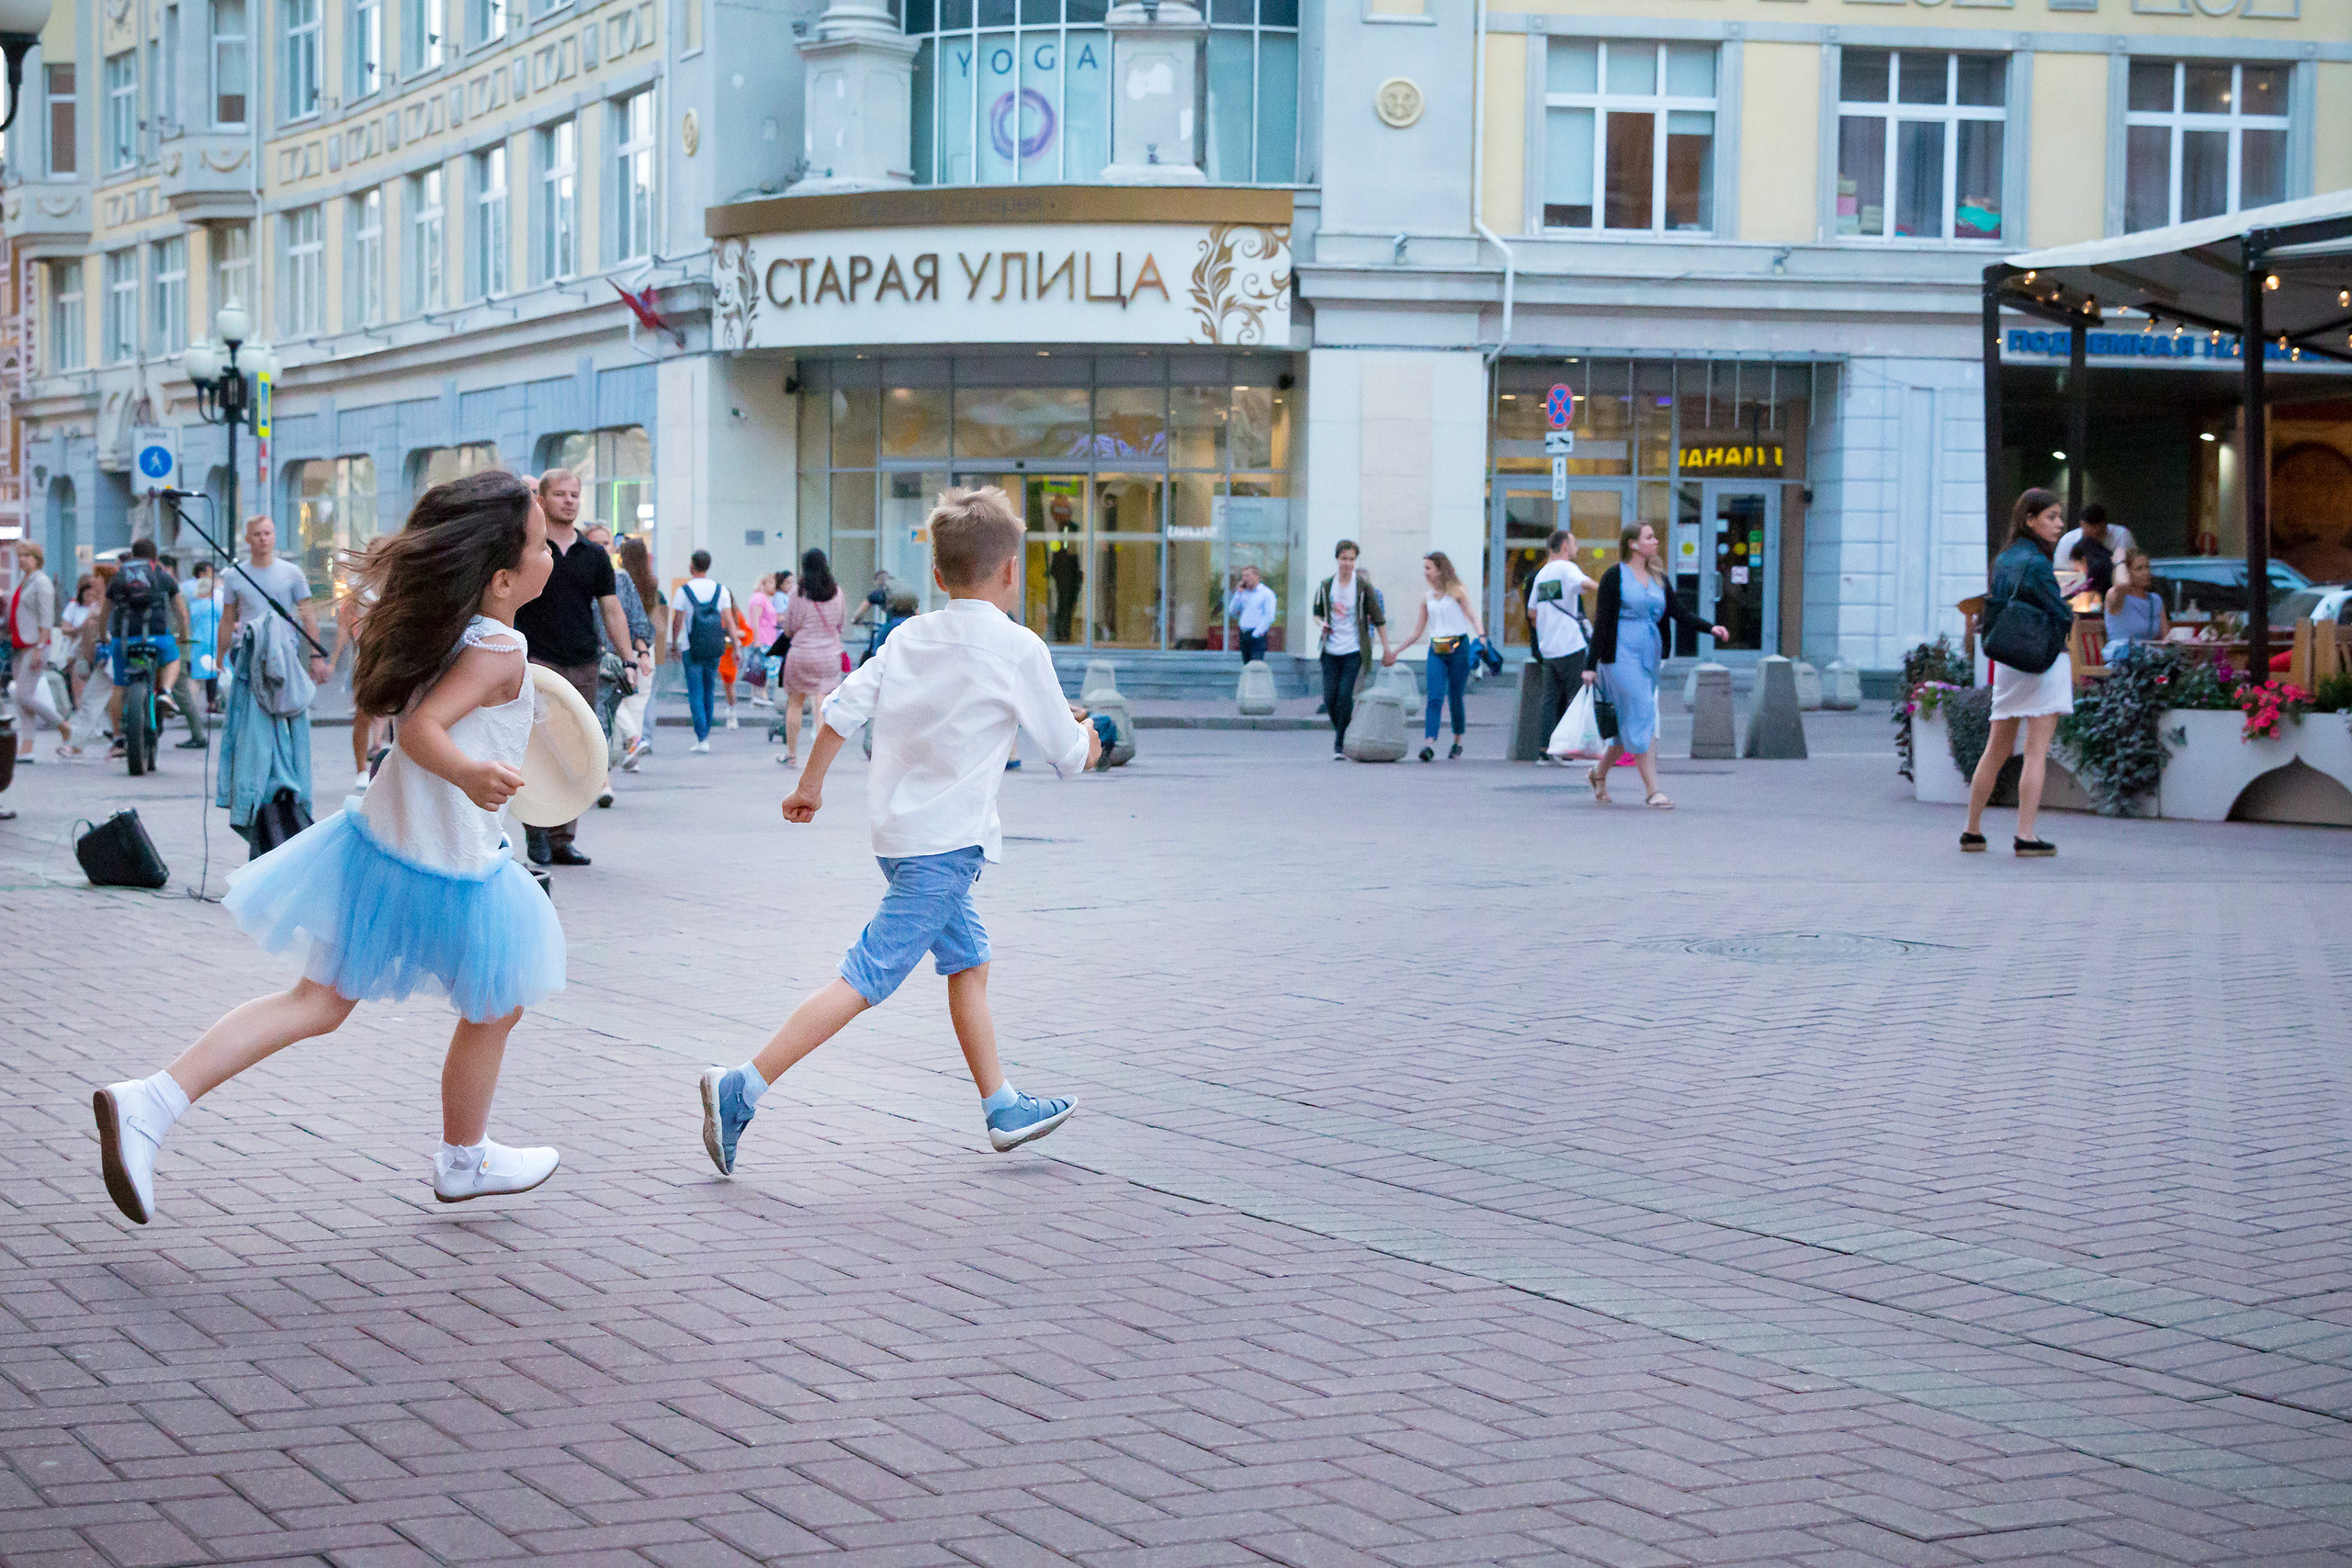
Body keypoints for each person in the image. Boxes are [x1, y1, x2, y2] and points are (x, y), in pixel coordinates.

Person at [89, 470, 570, 1225]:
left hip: (380, 850)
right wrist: (470, 771)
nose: (553, 553)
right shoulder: (499, 647)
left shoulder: (450, 631)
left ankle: (151, 1099)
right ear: (502, 579)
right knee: (497, 1000)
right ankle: (463, 1157)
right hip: (447, 868)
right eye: (541, 543)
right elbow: (420, 730)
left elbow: (428, 717)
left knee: (316, 1003)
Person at [696, 486, 1100, 1178]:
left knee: (969, 961)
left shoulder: (908, 636)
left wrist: (809, 787)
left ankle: (1002, 1104)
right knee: (864, 978)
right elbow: (1068, 756)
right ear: (1012, 571)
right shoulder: (1019, 647)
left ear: (937, 574)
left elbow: (839, 710)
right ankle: (742, 1086)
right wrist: (1092, 737)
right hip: (946, 851)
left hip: (900, 841)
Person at [511, 468, 629, 867]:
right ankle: (537, 830)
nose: (569, 501)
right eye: (560, 494)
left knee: (576, 749)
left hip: (583, 661)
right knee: (537, 748)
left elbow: (611, 608)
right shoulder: (526, 548)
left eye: (575, 495)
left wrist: (628, 656)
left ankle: (563, 838)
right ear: (542, 500)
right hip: (536, 660)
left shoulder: (594, 554)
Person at [1582, 524, 1727, 808]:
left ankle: (1598, 774)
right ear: (1633, 544)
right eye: (1649, 537)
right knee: (1645, 712)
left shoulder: (1659, 577)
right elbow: (1602, 622)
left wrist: (1710, 628)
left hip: (1649, 655)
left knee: (1624, 729)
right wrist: (1590, 665)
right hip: (1619, 654)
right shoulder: (1614, 576)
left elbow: (1678, 612)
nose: (1656, 541)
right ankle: (1652, 791)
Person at [1965, 489, 2073, 858]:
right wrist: (2068, 611)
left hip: (2009, 662)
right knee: (2036, 752)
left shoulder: (2005, 558)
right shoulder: (2039, 563)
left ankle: (1972, 831)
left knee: (1995, 749)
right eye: (2051, 517)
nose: (2059, 524)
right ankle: (2025, 835)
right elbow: (2058, 612)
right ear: (2029, 519)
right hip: (2043, 661)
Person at [216, 516, 327, 840]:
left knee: (291, 729)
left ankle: (294, 794)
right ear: (247, 539)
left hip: (286, 662)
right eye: (257, 534)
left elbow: (307, 614)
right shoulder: (235, 576)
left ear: (274, 536)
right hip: (249, 660)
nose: (263, 539)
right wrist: (220, 657)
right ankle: (257, 796)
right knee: (253, 732)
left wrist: (316, 656)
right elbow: (228, 619)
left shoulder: (292, 573)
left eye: (268, 533)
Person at [1385, 552, 1487, 763]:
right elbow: (1417, 632)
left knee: (1455, 697)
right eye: (1424, 568)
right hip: (1437, 650)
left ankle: (1457, 741)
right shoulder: (1427, 598)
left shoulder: (1457, 592)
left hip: (1458, 648)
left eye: (1428, 568)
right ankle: (1429, 744)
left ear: (1439, 570)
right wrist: (1395, 652)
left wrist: (1481, 636)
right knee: (1434, 696)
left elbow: (1472, 617)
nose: (1425, 572)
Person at [103, 538, 198, 758]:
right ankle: (165, 691)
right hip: (158, 638)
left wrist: (102, 636)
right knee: (173, 659)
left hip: (124, 641)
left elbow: (105, 612)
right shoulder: (163, 576)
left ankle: (118, 737)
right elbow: (180, 612)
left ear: (133, 554)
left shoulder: (119, 577)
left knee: (119, 686)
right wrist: (184, 636)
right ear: (155, 556)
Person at [1311, 541, 1390, 760]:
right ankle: (1345, 730)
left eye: (1351, 559)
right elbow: (1316, 613)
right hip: (1330, 649)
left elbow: (1379, 619)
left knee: (1345, 695)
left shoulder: (1363, 587)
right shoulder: (1326, 585)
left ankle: (1340, 742)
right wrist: (1322, 624)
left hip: (1354, 649)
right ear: (1337, 559)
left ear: (1356, 561)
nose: (1347, 563)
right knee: (1330, 698)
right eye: (1344, 558)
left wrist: (1387, 649)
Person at [1526, 528, 1597, 759]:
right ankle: (1570, 746)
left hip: (1549, 647)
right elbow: (1586, 584)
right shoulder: (1567, 568)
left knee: (1550, 699)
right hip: (1570, 644)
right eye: (1574, 544)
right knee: (1575, 697)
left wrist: (1547, 626)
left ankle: (1545, 747)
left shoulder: (1542, 575)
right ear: (1565, 546)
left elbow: (1532, 612)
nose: (1576, 548)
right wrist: (1608, 589)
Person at [777, 547, 847, 765]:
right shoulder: (837, 592)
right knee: (822, 704)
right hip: (829, 656)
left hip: (801, 655)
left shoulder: (798, 593)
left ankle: (791, 755)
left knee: (795, 704)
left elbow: (789, 628)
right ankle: (819, 760)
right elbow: (840, 624)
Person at [670, 550, 733, 753]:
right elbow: (729, 620)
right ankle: (706, 732)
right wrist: (737, 646)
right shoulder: (721, 590)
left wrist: (674, 642)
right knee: (709, 689)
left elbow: (678, 621)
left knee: (695, 691)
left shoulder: (684, 591)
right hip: (714, 647)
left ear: (692, 565)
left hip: (691, 648)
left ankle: (702, 737)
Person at [611, 536, 660, 772]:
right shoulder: (651, 582)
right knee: (638, 702)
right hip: (646, 647)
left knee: (614, 695)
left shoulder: (618, 579)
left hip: (622, 643)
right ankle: (633, 755)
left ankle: (631, 740)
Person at [9, 540, 58, 764]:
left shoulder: (41, 581)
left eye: (26, 555)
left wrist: (40, 646)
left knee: (23, 696)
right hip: (20, 645)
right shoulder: (24, 581)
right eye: (19, 555)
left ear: (37, 558)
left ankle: (62, 725)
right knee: (22, 699)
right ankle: (26, 747)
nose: (22, 559)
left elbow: (46, 617)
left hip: (35, 645)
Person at [2052, 504, 2136, 600]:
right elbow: (2059, 575)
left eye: (2098, 534)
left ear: (2105, 525)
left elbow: (2134, 569)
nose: (2094, 540)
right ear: (2082, 525)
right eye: (2089, 536)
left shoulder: (2122, 536)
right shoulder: (2067, 541)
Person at [2102, 549, 2169, 661]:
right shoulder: (2116, 596)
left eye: (2147, 567)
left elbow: (2166, 639)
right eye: (2139, 569)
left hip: (2148, 659)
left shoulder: (2155, 600)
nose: (2146, 572)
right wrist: (2120, 562)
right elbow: (2123, 583)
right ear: (2126, 572)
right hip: (2122, 661)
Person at [185, 560, 225, 712]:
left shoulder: (192, 606)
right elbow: (224, 620)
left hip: (195, 643)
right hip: (212, 642)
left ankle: (190, 706)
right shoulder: (214, 605)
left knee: (195, 677)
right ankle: (212, 703)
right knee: (212, 675)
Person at [1227, 565, 1278, 664]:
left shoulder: (1266, 593)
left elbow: (1269, 615)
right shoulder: (1243, 593)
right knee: (1246, 664)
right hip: (1244, 633)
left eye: (1247, 576)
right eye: (1243, 576)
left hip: (1257, 634)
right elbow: (1232, 611)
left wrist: (1257, 633)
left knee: (1255, 666)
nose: (1244, 579)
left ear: (1256, 576)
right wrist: (1238, 594)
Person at [853, 569, 892, 663]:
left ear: (877, 580)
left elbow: (861, 610)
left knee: (878, 648)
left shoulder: (877, 593)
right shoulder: (899, 590)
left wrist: (856, 620)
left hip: (892, 622)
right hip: (907, 622)